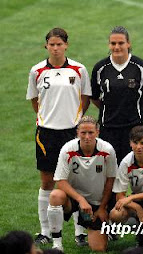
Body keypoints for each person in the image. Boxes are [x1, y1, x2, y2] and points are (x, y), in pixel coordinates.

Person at [26, 27, 91, 246]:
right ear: (46, 46)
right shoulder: (36, 71)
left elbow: (85, 98)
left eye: (59, 44)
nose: (55, 48)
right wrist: (49, 118)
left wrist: (73, 120)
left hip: (72, 133)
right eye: (51, 44)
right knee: (47, 181)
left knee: (77, 181)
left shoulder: (78, 69)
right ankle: (45, 230)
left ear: (66, 45)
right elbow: (35, 101)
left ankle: (80, 232)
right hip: (46, 133)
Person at [47, 116, 117, 251]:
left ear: (97, 132)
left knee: (98, 248)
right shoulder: (67, 149)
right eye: (83, 133)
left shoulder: (107, 150)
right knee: (55, 195)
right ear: (77, 133)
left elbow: (110, 180)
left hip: (97, 202)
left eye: (90, 133)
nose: (87, 137)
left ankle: (106, 226)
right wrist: (80, 200)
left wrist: (102, 207)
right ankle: (57, 245)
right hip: (75, 199)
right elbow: (60, 181)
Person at [91, 26, 143, 164]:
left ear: (128, 43)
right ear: (109, 44)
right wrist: (109, 109)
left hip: (134, 128)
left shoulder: (141, 67)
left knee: (134, 171)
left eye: (120, 43)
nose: (116, 47)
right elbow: (95, 97)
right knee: (109, 173)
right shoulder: (100, 68)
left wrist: (136, 108)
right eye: (113, 43)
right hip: (108, 128)